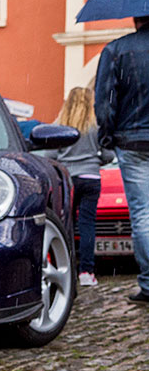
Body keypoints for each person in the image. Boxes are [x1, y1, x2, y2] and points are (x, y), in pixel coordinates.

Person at [95, 15, 149, 302]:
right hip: (132, 138)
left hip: (132, 141)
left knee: (142, 214)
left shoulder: (116, 51)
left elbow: (104, 101)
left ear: (135, 18)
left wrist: (106, 136)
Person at [41, 87, 109, 288]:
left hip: (67, 179)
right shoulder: (96, 127)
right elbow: (109, 155)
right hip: (91, 178)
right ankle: (87, 272)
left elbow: (48, 156)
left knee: (66, 225)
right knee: (88, 224)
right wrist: (94, 161)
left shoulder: (60, 126)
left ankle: (66, 268)